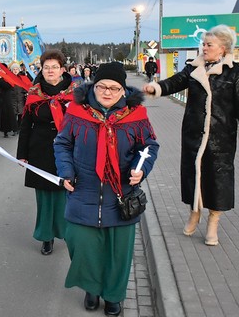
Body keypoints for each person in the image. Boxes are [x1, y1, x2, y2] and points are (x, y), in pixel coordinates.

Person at [54, 62, 159, 316]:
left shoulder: (137, 116)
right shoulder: (77, 112)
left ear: (123, 90)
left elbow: (149, 147)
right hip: (83, 191)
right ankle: (92, 287)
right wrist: (66, 172)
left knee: (117, 253)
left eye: (114, 88)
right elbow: (62, 144)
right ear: (94, 86)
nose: (107, 92)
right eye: (102, 86)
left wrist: (140, 169)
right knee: (81, 244)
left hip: (121, 195)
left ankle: (113, 295)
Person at [143, 24, 239, 246]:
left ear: (223, 48)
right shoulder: (194, 68)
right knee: (193, 174)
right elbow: (175, 82)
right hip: (193, 133)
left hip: (221, 135)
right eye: (203, 44)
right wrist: (156, 88)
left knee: (218, 178)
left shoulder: (236, 72)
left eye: (209, 45)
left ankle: (213, 221)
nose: (204, 48)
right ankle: (194, 212)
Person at [17, 50, 78, 256]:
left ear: (62, 69)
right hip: (40, 150)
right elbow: (25, 126)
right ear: (41, 70)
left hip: (68, 151)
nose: (50, 71)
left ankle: (67, 232)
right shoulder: (34, 94)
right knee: (44, 197)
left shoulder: (76, 94)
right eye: (46, 67)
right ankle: (46, 237)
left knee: (65, 193)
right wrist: (22, 154)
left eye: (54, 67)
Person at [9, 62, 30, 135]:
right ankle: (14, 128)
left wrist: (25, 92)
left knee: (21, 114)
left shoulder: (23, 77)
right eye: (14, 69)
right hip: (12, 98)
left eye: (16, 69)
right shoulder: (9, 77)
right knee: (13, 113)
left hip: (21, 98)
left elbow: (28, 86)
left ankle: (19, 127)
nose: (15, 70)